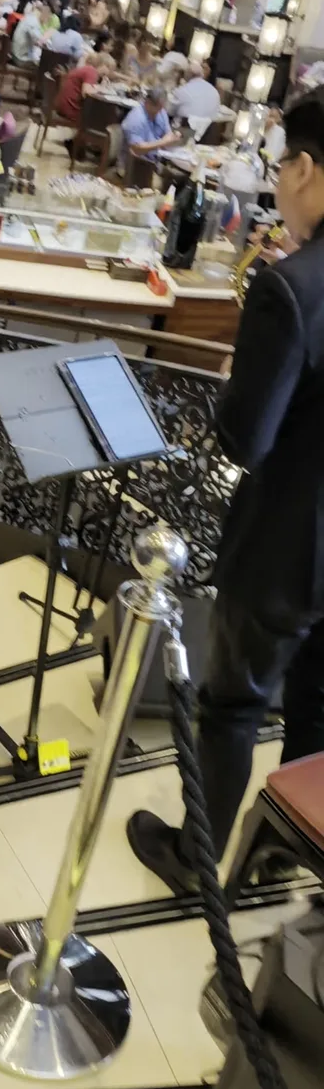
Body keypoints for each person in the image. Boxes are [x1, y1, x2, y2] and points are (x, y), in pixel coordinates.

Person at [127, 87, 324, 892]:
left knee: (235, 701)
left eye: (282, 164)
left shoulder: (291, 288)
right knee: (316, 707)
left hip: (285, 543)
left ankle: (195, 857)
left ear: (308, 169)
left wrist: (235, 382)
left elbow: (246, 437)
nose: (278, 179)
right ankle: (285, 854)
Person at [55, 51, 114, 126]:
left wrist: (99, 87)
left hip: (62, 106)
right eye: (109, 68)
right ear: (103, 65)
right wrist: (101, 89)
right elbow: (86, 93)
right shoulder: (92, 72)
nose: (108, 72)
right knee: (105, 116)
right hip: (70, 110)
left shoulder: (87, 69)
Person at [121, 86, 179, 161]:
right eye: (157, 107)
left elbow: (167, 133)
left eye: (161, 107)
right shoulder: (136, 118)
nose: (160, 111)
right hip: (136, 162)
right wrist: (162, 142)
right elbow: (136, 150)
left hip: (157, 157)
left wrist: (172, 137)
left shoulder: (161, 112)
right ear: (147, 102)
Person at [11, 0, 52, 64]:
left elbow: (36, 40)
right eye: (48, 17)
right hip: (20, 58)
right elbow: (40, 41)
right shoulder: (33, 22)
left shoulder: (30, 17)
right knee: (44, 64)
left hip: (16, 53)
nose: (48, 20)